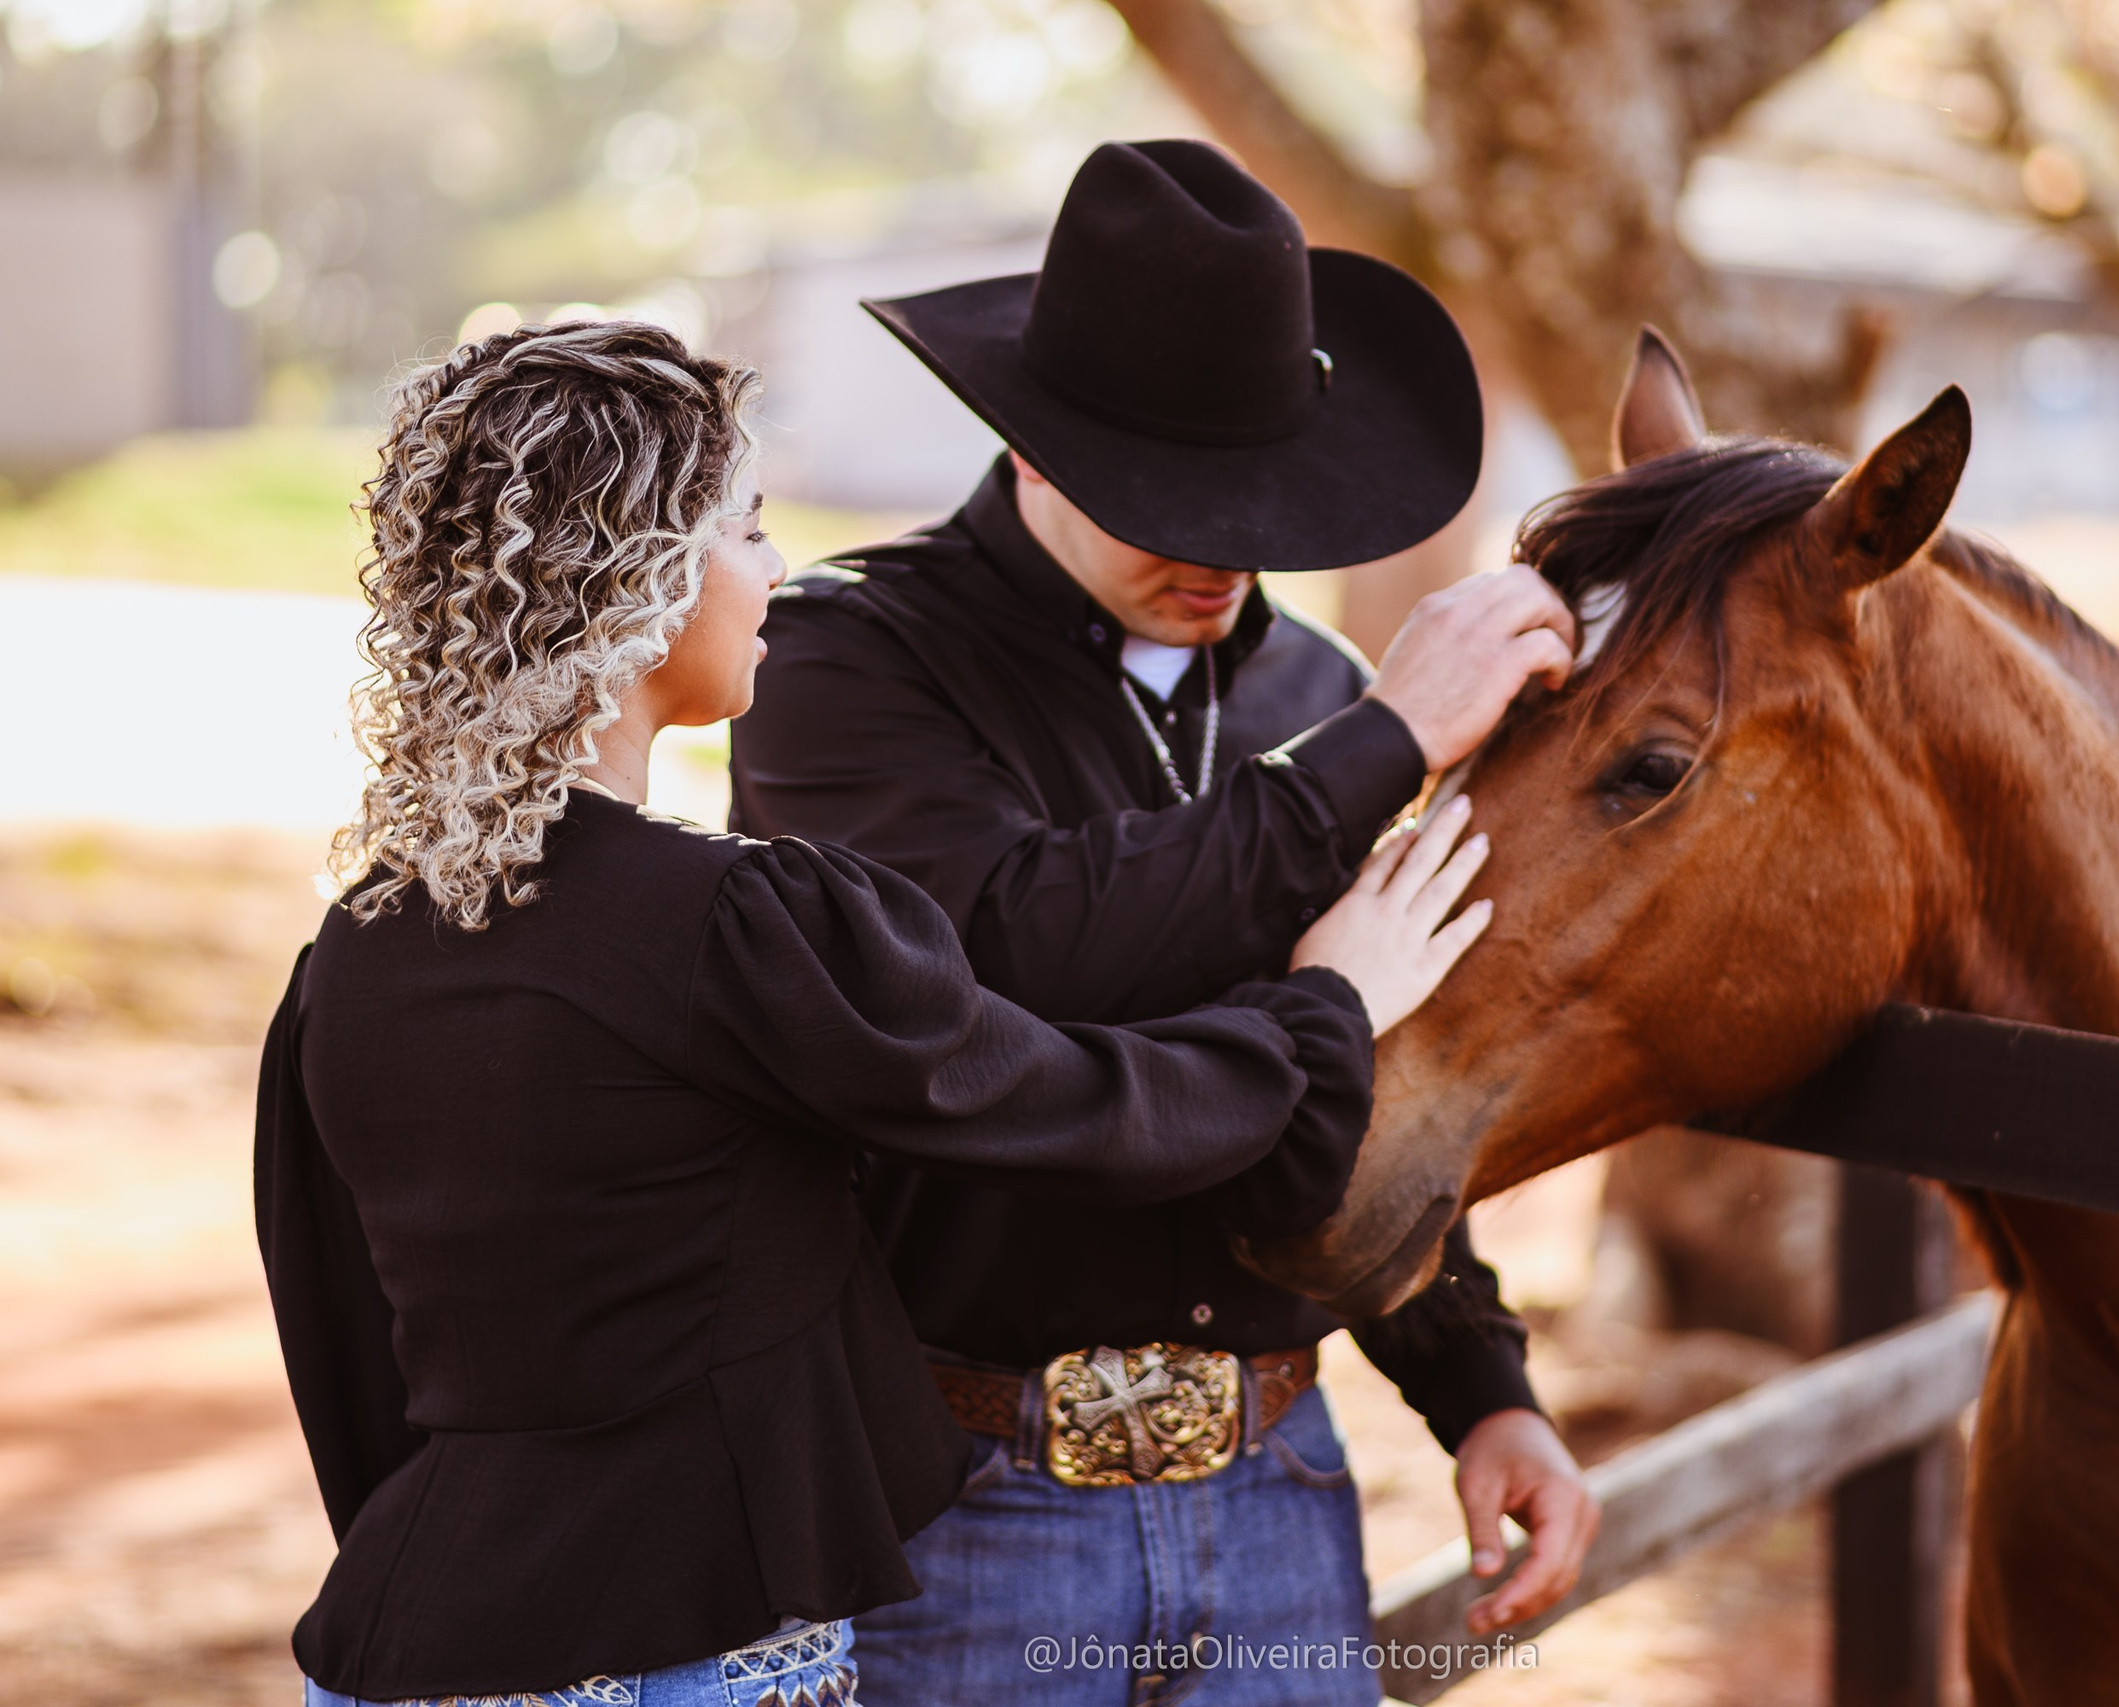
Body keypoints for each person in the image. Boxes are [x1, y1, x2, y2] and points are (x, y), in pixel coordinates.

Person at [256, 319, 1495, 1707]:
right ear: (642, 577)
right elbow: (1089, 1115)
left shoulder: (353, 949)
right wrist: (1329, 1008)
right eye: (746, 531)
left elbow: (339, 1336)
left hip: (399, 1639)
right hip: (699, 1655)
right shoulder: (738, 926)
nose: (776, 569)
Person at [729, 139, 1599, 1707]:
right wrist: (1385, 752)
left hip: (1280, 1487)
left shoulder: (1320, 695)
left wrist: (1482, 1389)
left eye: (1254, 497)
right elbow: (1004, 962)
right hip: (964, 1506)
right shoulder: (846, 660)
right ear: (1035, 448)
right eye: (1167, 498)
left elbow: (1373, 1075)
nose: (1218, 548)